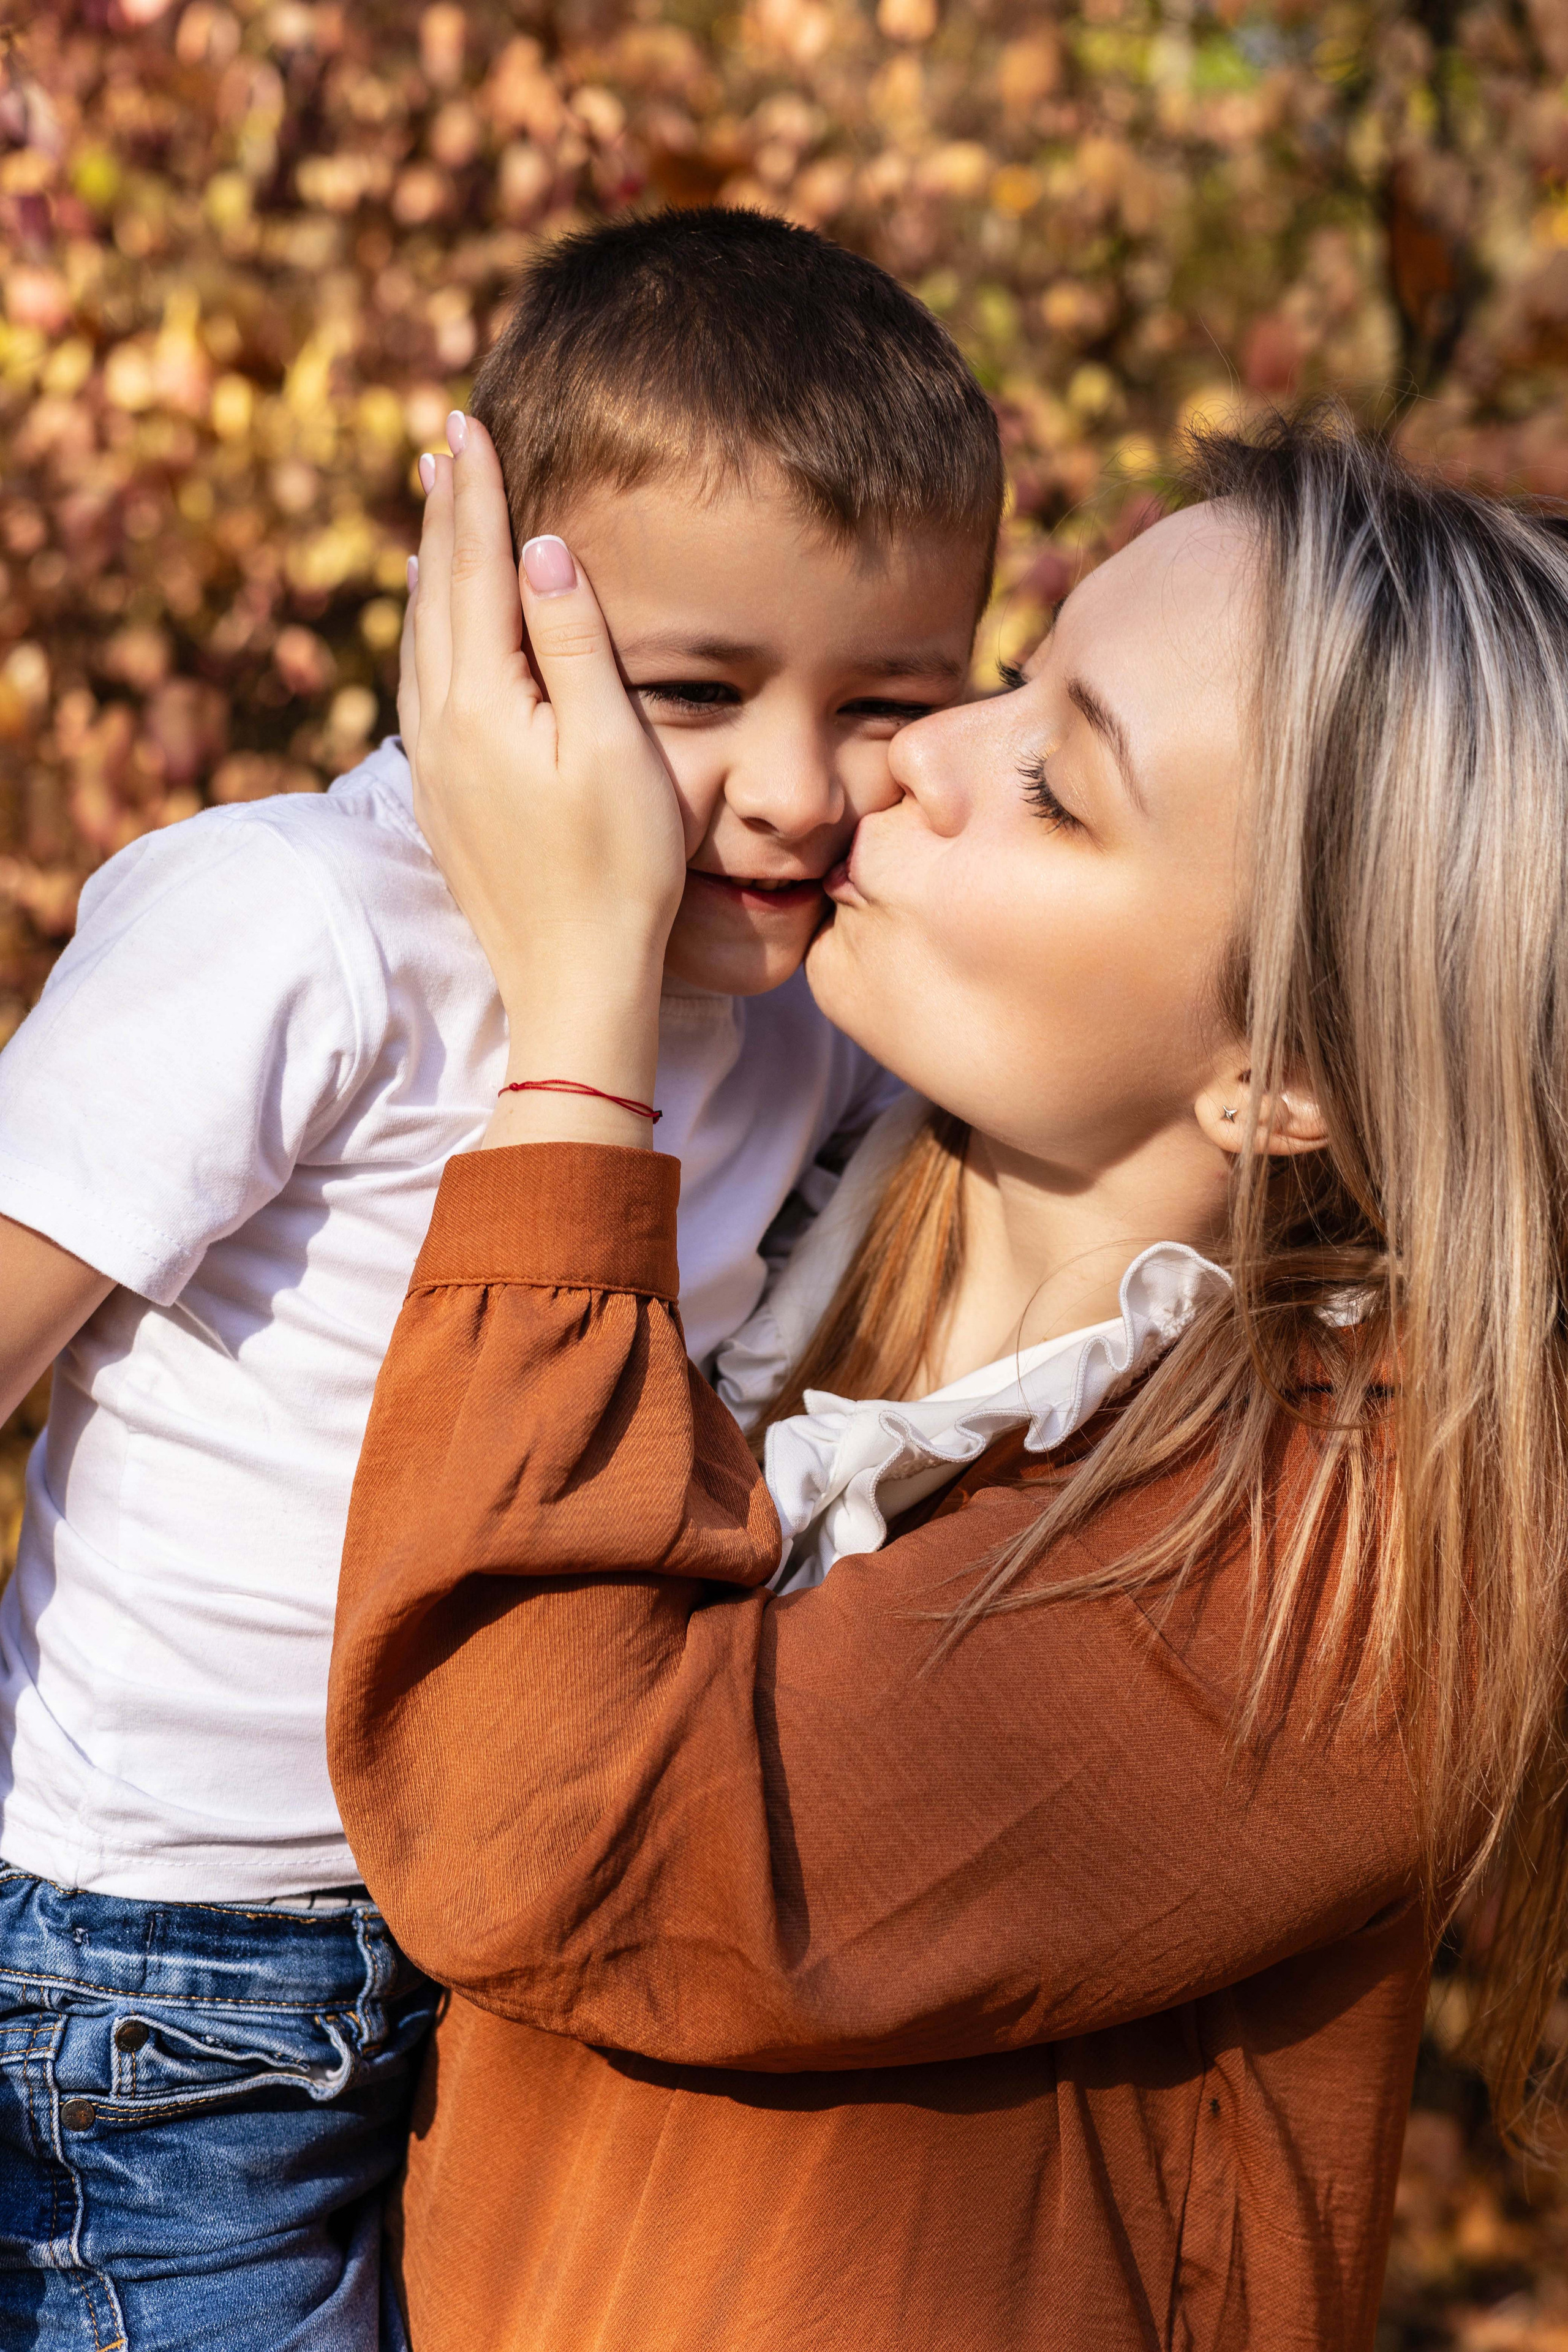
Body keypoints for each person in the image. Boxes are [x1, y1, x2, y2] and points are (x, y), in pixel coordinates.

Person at [328, 409, 1568, 2352]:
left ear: (1287, 1072)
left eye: (1061, 786)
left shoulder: (1349, 1563)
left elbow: (548, 1842)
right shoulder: (796, 1218)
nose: (917, 753)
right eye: (1014, 678)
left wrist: (579, 1025)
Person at [0, 210, 1004, 2346]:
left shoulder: (818, 1018)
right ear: (483, 624)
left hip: (501, 1935)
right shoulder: (298, 928)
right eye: (699, 691)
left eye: (891, 701)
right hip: (163, 1965)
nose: (796, 791)